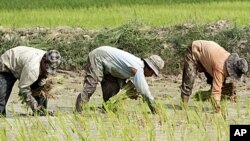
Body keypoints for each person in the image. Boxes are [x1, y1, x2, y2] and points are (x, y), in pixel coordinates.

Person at [75, 46, 165, 114]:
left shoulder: (135, 65)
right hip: (98, 56)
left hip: (108, 66)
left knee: (114, 88)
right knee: (91, 85)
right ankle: (78, 110)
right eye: (152, 73)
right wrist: (155, 110)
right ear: (149, 68)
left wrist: (129, 94)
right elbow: (145, 92)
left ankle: (106, 109)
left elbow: (121, 82)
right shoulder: (137, 69)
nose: (151, 76)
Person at [180, 40, 248, 112]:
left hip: (207, 56)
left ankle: (211, 101)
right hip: (194, 49)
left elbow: (218, 84)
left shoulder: (228, 59)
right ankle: (184, 107)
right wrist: (217, 108)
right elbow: (217, 90)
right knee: (189, 79)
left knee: (218, 82)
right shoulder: (220, 67)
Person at [0, 46, 61, 116]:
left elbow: (41, 84)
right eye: (47, 68)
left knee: (40, 88)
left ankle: (41, 111)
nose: (47, 71)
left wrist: (42, 85)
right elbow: (23, 88)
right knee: (1, 99)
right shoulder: (32, 69)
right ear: (43, 61)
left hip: (23, 62)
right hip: (8, 64)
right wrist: (32, 102)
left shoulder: (48, 59)